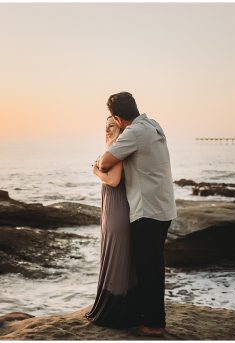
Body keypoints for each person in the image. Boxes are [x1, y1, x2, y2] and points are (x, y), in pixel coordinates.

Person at [94, 92, 177, 337]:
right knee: (153, 265)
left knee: (147, 268)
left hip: (147, 210)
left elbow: (106, 163)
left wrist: (97, 164)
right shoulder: (152, 124)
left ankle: (154, 324)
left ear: (118, 118)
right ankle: (150, 317)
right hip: (163, 206)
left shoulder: (135, 132)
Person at [85, 116, 140, 328]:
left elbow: (114, 180)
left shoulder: (118, 148)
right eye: (105, 125)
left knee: (116, 257)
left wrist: (96, 171)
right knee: (112, 256)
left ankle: (116, 312)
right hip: (111, 209)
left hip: (117, 210)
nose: (107, 129)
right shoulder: (113, 148)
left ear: (120, 128)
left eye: (112, 125)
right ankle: (121, 309)